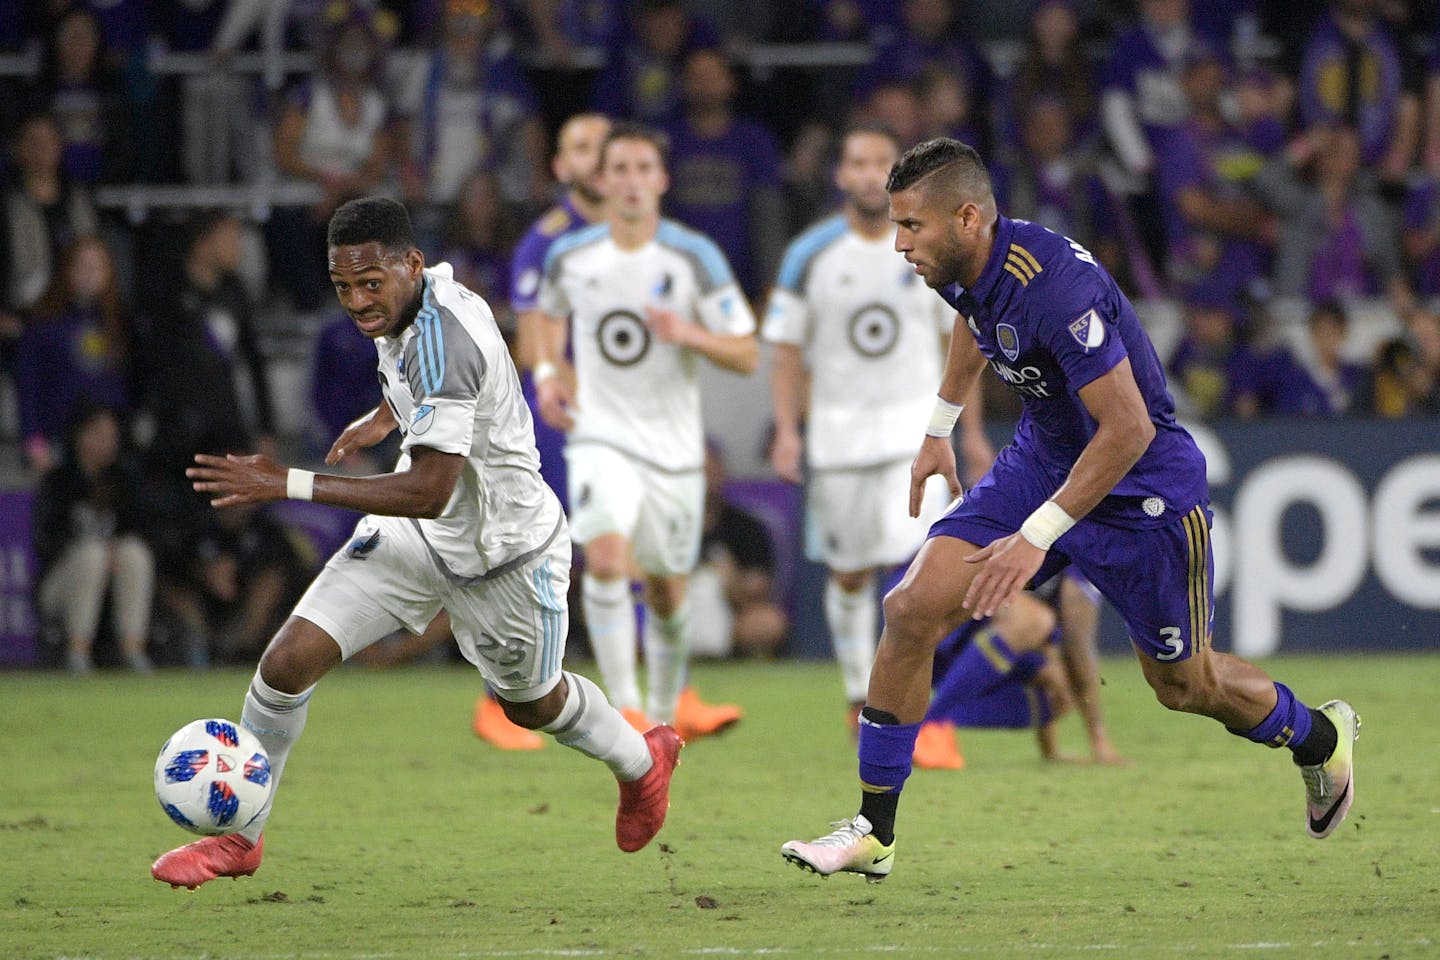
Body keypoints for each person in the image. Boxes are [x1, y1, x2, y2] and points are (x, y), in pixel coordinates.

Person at [780, 138, 1360, 883]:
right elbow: (971, 321)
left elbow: (1129, 429)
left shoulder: (1055, 286)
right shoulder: (962, 265)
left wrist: (1036, 536)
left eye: (911, 228)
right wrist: (938, 429)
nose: (899, 246)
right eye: (895, 227)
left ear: (966, 217)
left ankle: (1317, 737)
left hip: (1143, 492)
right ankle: (875, 829)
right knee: (911, 607)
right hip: (1043, 462)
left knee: (1184, 686)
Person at [151, 197, 681, 891]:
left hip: (505, 555)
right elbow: (416, 390)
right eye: (344, 287)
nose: (358, 302)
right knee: (286, 664)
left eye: (371, 284)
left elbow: (431, 486)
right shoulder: (412, 301)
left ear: (411, 264)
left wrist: (287, 482)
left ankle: (643, 764)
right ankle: (238, 840)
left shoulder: (446, 336)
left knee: (529, 702)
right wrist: (383, 417)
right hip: (417, 539)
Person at [533, 123, 758, 741]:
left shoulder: (693, 257)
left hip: (674, 453)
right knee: (604, 559)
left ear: (661, 180)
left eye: (643, 169)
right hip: (600, 436)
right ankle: (626, 711)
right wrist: (551, 373)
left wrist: (690, 334)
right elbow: (547, 319)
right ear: (602, 180)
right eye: (620, 170)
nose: (631, 182)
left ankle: (662, 716)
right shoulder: (570, 257)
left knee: (665, 591)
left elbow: (746, 352)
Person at [765, 125, 981, 731]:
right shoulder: (809, 255)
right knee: (851, 573)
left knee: (928, 568)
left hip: (913, 436)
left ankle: (919, 708)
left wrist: (971, 431)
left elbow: (962, 340)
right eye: (856, 162)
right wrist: (787, 429)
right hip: (837, 439)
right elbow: (786, 350)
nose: (866, 174)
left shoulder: (928, 244)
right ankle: (860, 699)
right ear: (841, 174)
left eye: (879, 163)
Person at [469, 111, 612, 752]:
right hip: (560, 418)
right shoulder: (548, 241)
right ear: (560, 168)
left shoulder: (644, 239)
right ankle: (498, 700)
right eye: (581, 147)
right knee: (534, 556)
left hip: (626, 419)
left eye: (605, 145)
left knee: (632, 551)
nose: (597, 157)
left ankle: (657, 698)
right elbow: (532, 344)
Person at [32, 403, 154, 675]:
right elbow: (45, 542)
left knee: (134, 552)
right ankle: (78, 653)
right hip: (61, 583)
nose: (111, 441)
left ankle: (132, 651)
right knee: (91, 555)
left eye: (113, 434)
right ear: (82, 436)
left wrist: (113, 548)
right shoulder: (58, 481)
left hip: (111, 578)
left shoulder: (123, 480)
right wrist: (93, 548)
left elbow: (141, 530)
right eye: (101, 433)